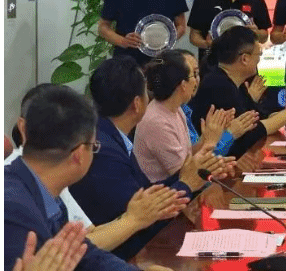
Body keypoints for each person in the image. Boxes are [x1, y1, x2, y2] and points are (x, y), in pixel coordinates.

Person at [69, 57, 231, 260]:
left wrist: (187, 175)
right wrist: (187, 183)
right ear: (137, 104)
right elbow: (143, 217)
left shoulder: (111, 135)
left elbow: (147, 194)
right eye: (146, 91)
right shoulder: (103, 151)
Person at [7, 85, 188, 255]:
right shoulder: (14, 203)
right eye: (93, 146)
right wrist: (133, 220)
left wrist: (133, 219)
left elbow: (84, 247)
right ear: (79, 154)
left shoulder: (48, 180)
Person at [5, 85, 142, 271]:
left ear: (24, 130)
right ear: (78, 155)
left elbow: (83, 254)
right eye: (94, 146)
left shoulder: (45, 193)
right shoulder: (12, 212)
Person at [188, 26, 286, 159]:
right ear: (244, 59)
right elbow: (251, 133)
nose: (259, 60)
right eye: (259, 55)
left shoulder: (235, 83)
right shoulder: (219, 84)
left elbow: (259, 118)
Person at [134, 50, 260, 182]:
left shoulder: (176, 109)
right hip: (169, 192)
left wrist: (205, 140)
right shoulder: (157, 122)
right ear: (183, 85)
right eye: (194, 75)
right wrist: (210, 142)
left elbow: (188, 157)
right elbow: (185, 177)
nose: (197, 81)